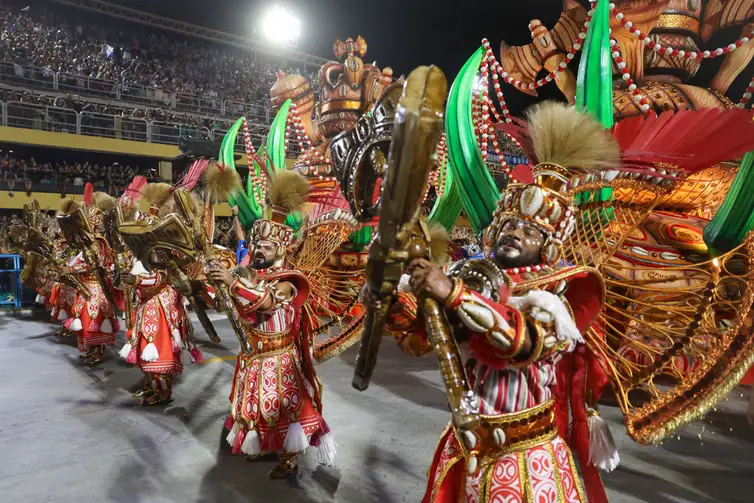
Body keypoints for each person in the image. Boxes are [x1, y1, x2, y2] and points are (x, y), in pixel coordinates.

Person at [364, 103, 614, 503]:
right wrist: (390, 301)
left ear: (549, 245)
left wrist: (452, 294)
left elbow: (524, 345)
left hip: (527, 458)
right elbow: (419, 343)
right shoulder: (474, 276)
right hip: (467, 445)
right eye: (509, 224)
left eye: (529, 230)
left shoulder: (562, 294)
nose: (514, 233)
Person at [207, 170, 335, 479]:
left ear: (280, 249)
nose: (259, 250)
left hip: (280, 358)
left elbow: (265, 302)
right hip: (254, 355)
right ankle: (265, 444)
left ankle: (289, 455)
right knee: (256, 408)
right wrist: (213, 286)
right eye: (257, 245)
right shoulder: (250, 274)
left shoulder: (289, 282)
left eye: (265, 246)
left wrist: (232, 284)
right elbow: (228, 304)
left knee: (287, 409)